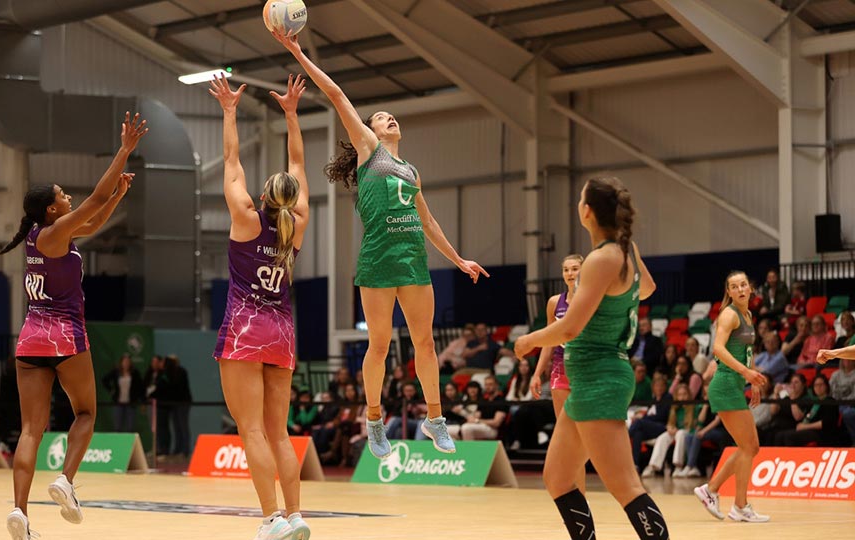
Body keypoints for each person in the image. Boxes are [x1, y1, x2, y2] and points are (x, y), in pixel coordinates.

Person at [272, 30, 488, 460]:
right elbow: (336, 95)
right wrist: (296, 50)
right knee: (381, 345)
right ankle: (373, 419)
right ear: (367, 131)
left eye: (392, 117)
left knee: (425, 344)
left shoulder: (411, 170)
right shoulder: (370, 150)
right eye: (382, 117)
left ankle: (435, 419)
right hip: (377, 261)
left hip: (413, 261)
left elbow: (428, 221)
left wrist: (458, 259)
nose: (390, 119)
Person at [0, 112, 148, 540]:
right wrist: (124, 151)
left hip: (30, 339)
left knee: (31, 430)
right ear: (52, 209)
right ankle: (65, 480)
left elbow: (94, 220)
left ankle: (20, 511)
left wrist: (118, 196)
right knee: (85, 413)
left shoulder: (39, 237)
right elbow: (93, 202)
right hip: (63, 335)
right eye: (62, 195)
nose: (68, 197)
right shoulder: (55, 231)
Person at [513, 177, 667, 540]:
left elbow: (569, 329)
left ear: (588, 212)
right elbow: (646, 288)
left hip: (600, 378)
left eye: (580, 199)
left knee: (626, 486)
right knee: (558, 478)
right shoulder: (625, 250)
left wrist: (528, 341)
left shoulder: (602, 258)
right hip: (590, 380)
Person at [208, 73, 312, 540]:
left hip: (246, 329)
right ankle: (296, 514)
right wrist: (291, 114)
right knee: (279, 432)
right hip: (283, 332)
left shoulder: (246, 219)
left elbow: (231, 161)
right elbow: (298, 163)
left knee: (250, 430)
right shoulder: (298, 224)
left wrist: (229, 110)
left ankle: (272, 519)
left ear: (264, 196)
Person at [693, 271, 770, 523]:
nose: (740, 289)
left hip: (735, 384)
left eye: (743, 285)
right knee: (749, 447)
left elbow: (748, 350)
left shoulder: (748, 315)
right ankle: (736, 503)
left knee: (749, 447)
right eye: (734, 287)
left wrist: (753, 379)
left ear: (750, 288)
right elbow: (717, 348)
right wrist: (746, 372)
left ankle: (715, 492)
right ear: (729, 292)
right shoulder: (729, 314)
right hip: (725, 383)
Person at [531, 253, 584, 491]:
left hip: (585, 371)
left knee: (582, 435)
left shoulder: (592, 299)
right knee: (568, 437)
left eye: (575, 268)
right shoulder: (555, 302)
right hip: (560, 370)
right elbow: (549, 340)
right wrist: (537, 373)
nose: (570, 274)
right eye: (566, 269)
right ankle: (578, 499)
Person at [771, 374, 846, 446]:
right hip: (810, 430)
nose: (818, 387)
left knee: (789, 436)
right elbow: (807, 417)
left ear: (826, 386)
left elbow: (826, 423)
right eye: (816, 385)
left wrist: (805, 426)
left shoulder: (830, 401)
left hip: (822, 433)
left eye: (821, 384)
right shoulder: (814, 402)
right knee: (780, 436)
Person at [642, 384, 695, 478]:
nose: (682, 397)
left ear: (689, 395)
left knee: (680, 433)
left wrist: (678, 430)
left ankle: (678, 466)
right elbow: (670, 423)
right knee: (662, 437)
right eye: (680, 395)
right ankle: (653, 466)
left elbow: (693, 425)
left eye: (684, 394)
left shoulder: (694, 407)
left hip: (688, 432)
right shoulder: (674, 408)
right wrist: (670, 428)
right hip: (675, 432)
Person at [818, 348, 855, 442]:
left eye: (849, 359)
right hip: (836, 403)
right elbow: (830, 391)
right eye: (845, 359)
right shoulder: (836, 375)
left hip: (850, 404)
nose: (847, 361)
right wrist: (832, 353)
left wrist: (832, 353)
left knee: (847, 413)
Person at [101, 354, 144, 433]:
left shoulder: (135, 373)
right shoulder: (116, 372)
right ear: (121, 362)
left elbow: (140, 387)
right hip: (118, 403)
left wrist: (141, 400)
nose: (126, 363)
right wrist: (111, 390)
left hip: (131, 403)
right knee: (117, 427)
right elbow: (104, 380)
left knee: (130, 428)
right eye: (124, 361)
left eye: (128, 361)